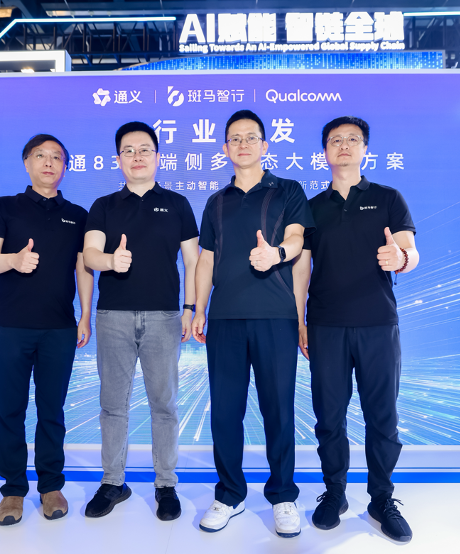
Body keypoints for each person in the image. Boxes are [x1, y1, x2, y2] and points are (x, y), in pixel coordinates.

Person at [293, 116, 419, 542]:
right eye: (335, 140)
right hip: (325, 325)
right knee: (329, 418)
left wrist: (400, 259)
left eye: (352, 139)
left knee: (382, 417)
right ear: (325, 152)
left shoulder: (388, 198)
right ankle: (334, 493)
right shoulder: (312, 207)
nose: (344, 145)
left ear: (365, 149)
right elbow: (302, 270)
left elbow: (410, 250)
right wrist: (299, 320)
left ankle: (382, 498)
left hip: (378, 323)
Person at [191, 110, 315, 538]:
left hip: (275, 316)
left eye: (250, 137)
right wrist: (199, 308)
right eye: (234, 138)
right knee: (226, 412)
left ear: (265, 145)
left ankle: (282, 496)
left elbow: (297, 240)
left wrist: (275, 254)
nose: (242, 144)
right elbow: (206, 259)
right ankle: (230, 494)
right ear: (225, 148)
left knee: (278, 409)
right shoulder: (216, 202)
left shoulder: (288, 190)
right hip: (225, 317)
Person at [82, 122, 199, 522]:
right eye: (128, 150)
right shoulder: (103, 206)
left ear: (157, 157)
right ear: (118, 159)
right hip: (112, 316)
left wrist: (190, 307)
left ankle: (166, 485)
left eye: (144, 149)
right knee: (112, 405)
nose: (137, 156)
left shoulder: (178, 204)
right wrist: (110, 260)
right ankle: (113, 482)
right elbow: (89, 255)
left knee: (164, 405)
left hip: (164, 317)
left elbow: (193, 260)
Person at [0, 134, 93, 526]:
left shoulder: (77, 215)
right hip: (9, 324)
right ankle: (12, 490)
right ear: (27, 163)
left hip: (59, 327)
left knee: (52, 410)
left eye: (56, 157)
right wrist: (13, 260)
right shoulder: (5, 206)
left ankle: (51, 486)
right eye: (40, 155)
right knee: (10, 409)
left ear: (65, 167)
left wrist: (85, 315)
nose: (48, 162)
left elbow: (83, 268)